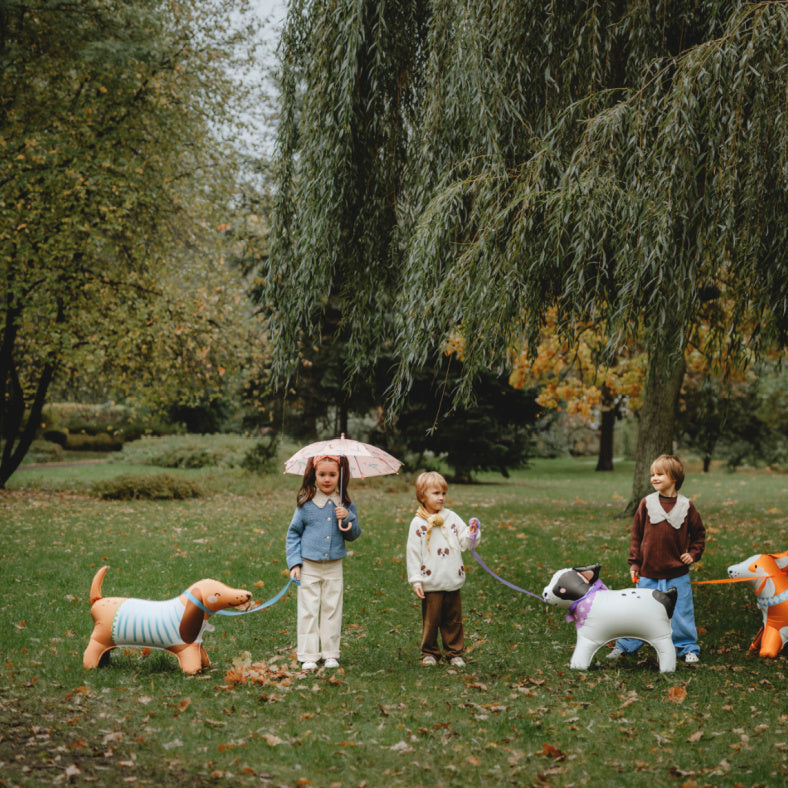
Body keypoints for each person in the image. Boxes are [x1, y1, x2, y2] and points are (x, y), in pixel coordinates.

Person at [608, 454, 706, 664]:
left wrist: (693, 553)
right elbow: (637, 535)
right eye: (652, 474)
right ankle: (626, 645)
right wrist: (635, 562)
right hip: (648, 572)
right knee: (639, 612)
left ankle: (686, 647)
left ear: (674, 478)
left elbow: (699, 534)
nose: (654, 478)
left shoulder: (686, 506)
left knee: (681, 613)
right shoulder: (646, 503)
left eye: (660, 474)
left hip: (677, 574)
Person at [286, 454, 360, 671]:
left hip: (334, 565)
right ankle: (308, 654)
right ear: (314, 475)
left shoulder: (345, 504)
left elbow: (353, 535)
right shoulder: (306, 504)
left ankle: (330, 653)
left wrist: (347, 517)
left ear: (340, 476)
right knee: (308, 609)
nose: (327, 479)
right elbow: (293, 534)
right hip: (309, 565)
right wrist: (295, 564)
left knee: (332, 608)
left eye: (332, 475)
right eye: (322, 474)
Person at [406, 471, 480, 667]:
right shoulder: (418, 523)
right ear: (422, 497)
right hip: (431, 580)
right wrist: (416, 579)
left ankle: (454, 652)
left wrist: (471, 532)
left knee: (453, 619)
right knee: (432, 620)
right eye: (436, 493)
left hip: (452, 577)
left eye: (443, 493)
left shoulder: (452, 517)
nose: (441, 498)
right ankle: (429, 652)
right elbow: (413, 553)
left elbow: (463, 542)